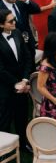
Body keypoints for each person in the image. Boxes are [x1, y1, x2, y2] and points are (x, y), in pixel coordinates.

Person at [0, 8, 33, 146]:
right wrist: (16, 84)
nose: (15, 22)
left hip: (22, 83)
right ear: (1, 25)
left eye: (14, 19)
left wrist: (25, 80)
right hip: (5, 86)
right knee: (4, 119)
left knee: (22, 115)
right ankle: (3, 149)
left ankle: (24, 143)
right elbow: (0, 70)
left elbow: (27, 58)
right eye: (11, 21)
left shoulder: (17, 32)